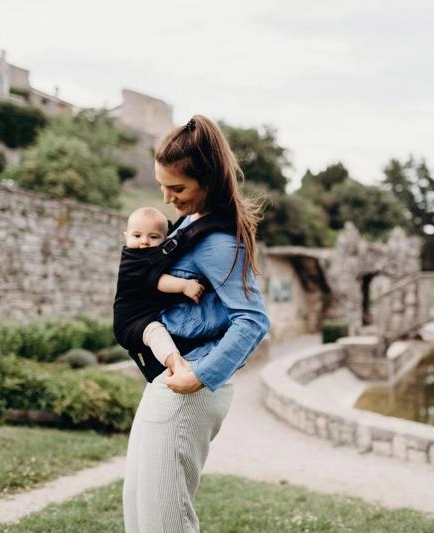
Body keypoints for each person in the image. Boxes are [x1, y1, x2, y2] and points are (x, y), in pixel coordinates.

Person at [123, 115, 270, 533]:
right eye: (162, 186)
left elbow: (253, 319)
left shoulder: (216, 241)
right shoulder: (190, 223)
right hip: (170, 377)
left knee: (163, 521)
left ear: (208, 180)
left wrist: (201, 376)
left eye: (178, 188)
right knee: (138, 506)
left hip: (190, 382)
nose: (167, 199)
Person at [114, 206, 212, 372]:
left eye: (153, 237)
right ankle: (177, 365)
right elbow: (158, 281)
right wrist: (184, 285)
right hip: (130, 323)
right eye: (137, 236)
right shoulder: (132, 260)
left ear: (165, 239)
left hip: (147, 314)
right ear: (126, 236)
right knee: (156, 332)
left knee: (164, 334)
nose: (144, 241)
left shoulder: (150, 254)